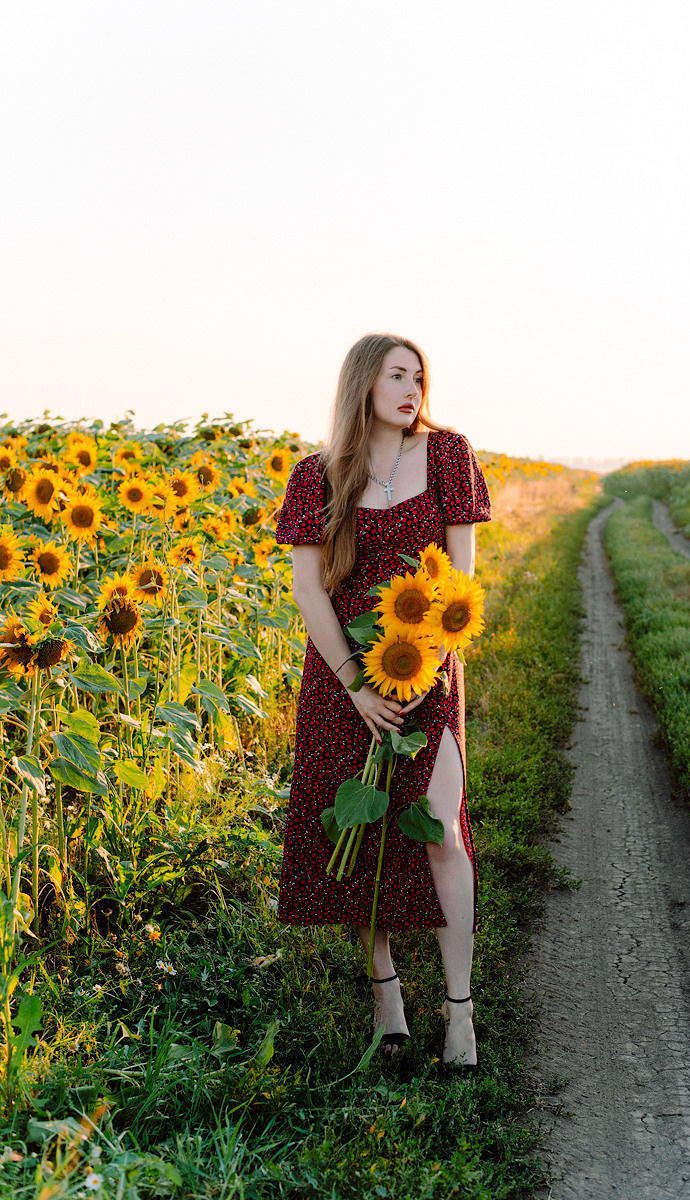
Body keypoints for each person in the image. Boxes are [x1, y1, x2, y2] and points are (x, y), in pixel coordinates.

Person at [275, 332, 491, 1068]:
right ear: (363, 383)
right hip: (343, 680)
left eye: (420, 376)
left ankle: (459, 1010)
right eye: (397, 375)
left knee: (439, 832)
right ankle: (386, 994)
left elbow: (460, 575)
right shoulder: (318, 476)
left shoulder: (448, 454)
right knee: (358, 836)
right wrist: (354, 685)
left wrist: (424, 664)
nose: (412, 389)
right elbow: (309, 588)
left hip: (425, 666)